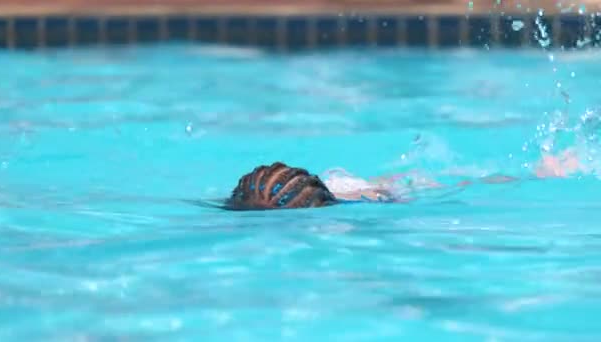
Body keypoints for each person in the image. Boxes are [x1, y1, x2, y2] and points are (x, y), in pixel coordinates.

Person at [223, 148, 583, 211]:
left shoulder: (368, 196)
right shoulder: (311, 197)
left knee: (450, 185)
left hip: (375, 192)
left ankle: (540, 173)